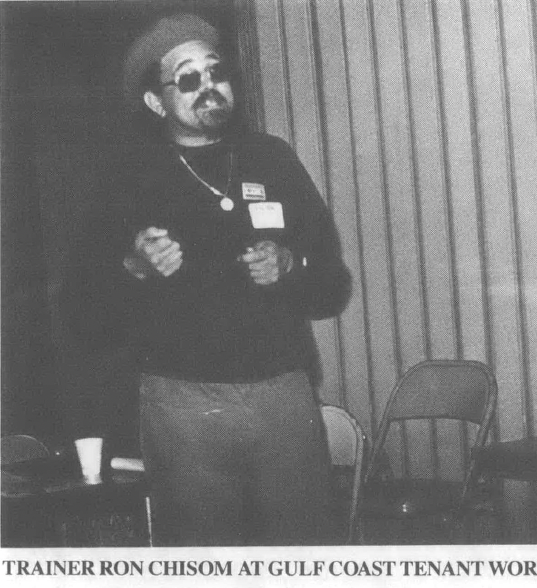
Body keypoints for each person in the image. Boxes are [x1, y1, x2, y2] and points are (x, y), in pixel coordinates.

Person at [90, 13, 352, 546]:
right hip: (184, 406)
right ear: (156, 103)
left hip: (282, 394)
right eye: (187, 78)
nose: (208, 86)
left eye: (215, 71)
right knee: (203, 560)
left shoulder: (272, 159)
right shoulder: (128, 180)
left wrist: (290, 268)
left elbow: (332, 285)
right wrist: (134, 269)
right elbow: (83, 314)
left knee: (303, 556)